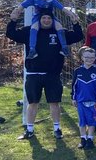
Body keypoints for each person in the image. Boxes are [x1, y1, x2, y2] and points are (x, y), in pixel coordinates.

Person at [7, 8, 83, 140]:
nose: (46, 20)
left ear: (52, 20)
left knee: (54, 102)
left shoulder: (59, 32)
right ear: (39, 19)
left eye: (49, 18)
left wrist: (75, 22)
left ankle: (57, 129)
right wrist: (13, 19)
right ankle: (29, 130)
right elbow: (11, 33)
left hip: (52, 74)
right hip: (33, 73)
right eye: (44, 18)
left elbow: (78, 36)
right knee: (33, 103)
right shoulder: (30, 31)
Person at [10, 0, 79, 59]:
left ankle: (64, 48)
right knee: (34, 28)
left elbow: (62, 8)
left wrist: (70, 14)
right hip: (38, 16)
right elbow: (22, 5)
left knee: (59, 27)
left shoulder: (52, 0)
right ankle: (32, 49)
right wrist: (16, 11)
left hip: (50, 16)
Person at [70, 46, 96, 149]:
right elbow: (74, 86)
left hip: (93, 102)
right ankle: (83, 138)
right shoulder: (77, 71)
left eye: (92, 57)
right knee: (82, 121)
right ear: (82, 57)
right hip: (80, 101)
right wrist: (73, 98)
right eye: (87, 57)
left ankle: (90, 139)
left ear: (94, 58)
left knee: (92, 121)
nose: (89, 59)